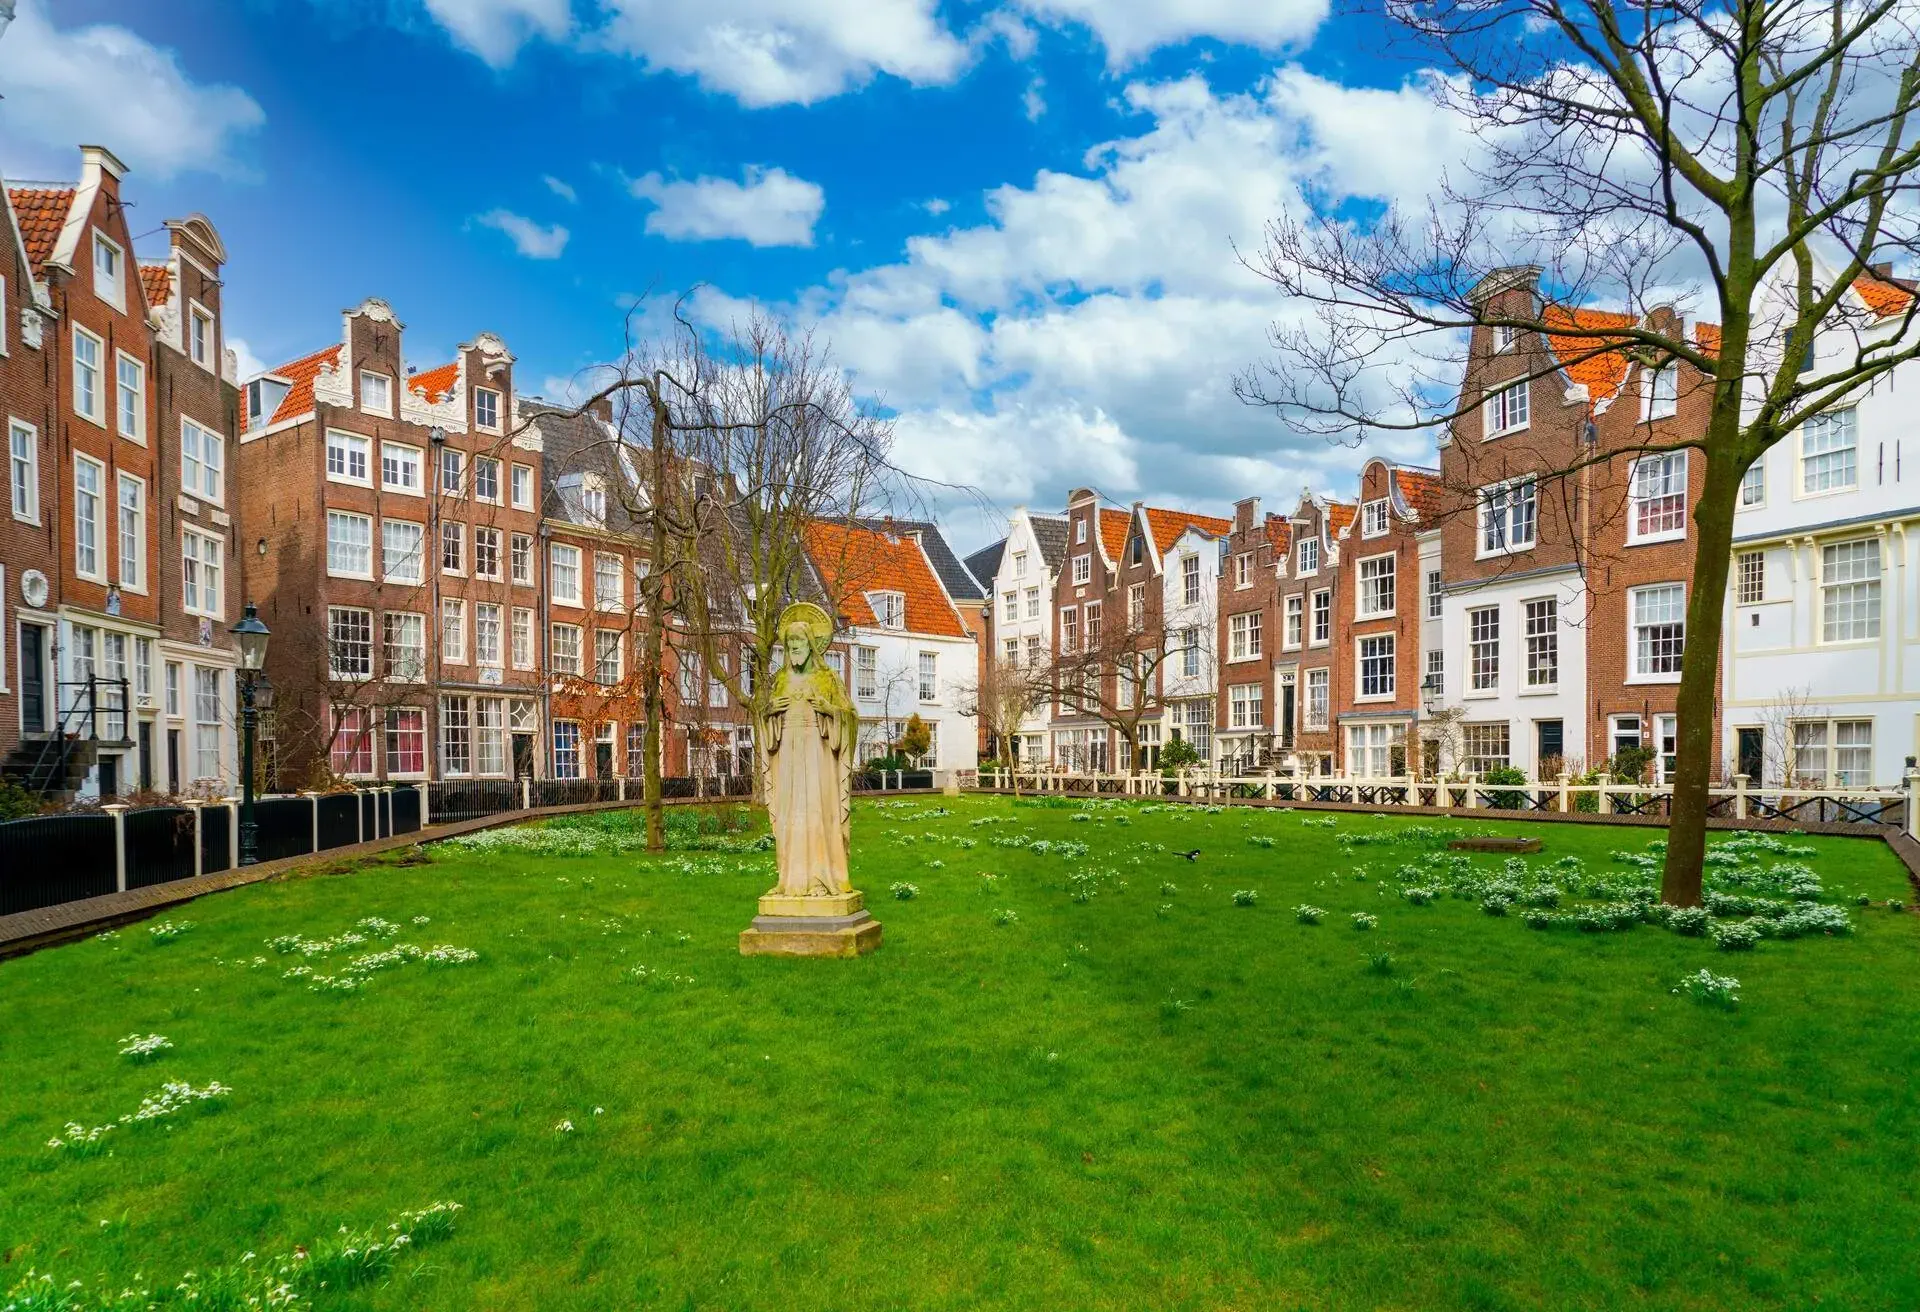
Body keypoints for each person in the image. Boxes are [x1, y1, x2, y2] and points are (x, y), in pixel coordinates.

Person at [764, 602, 857, 897]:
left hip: (818, 757)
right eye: (790, 644)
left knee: (818, 813)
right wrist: (769, 712)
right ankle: (791, 879)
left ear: (811, 644)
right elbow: (767, 728)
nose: (794, 649)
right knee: (790, 813)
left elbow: (850, 717)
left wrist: (829, 710)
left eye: (800, 642)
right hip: (789, 757)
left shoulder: (827, 679)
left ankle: (821, 877)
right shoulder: (779, 680)